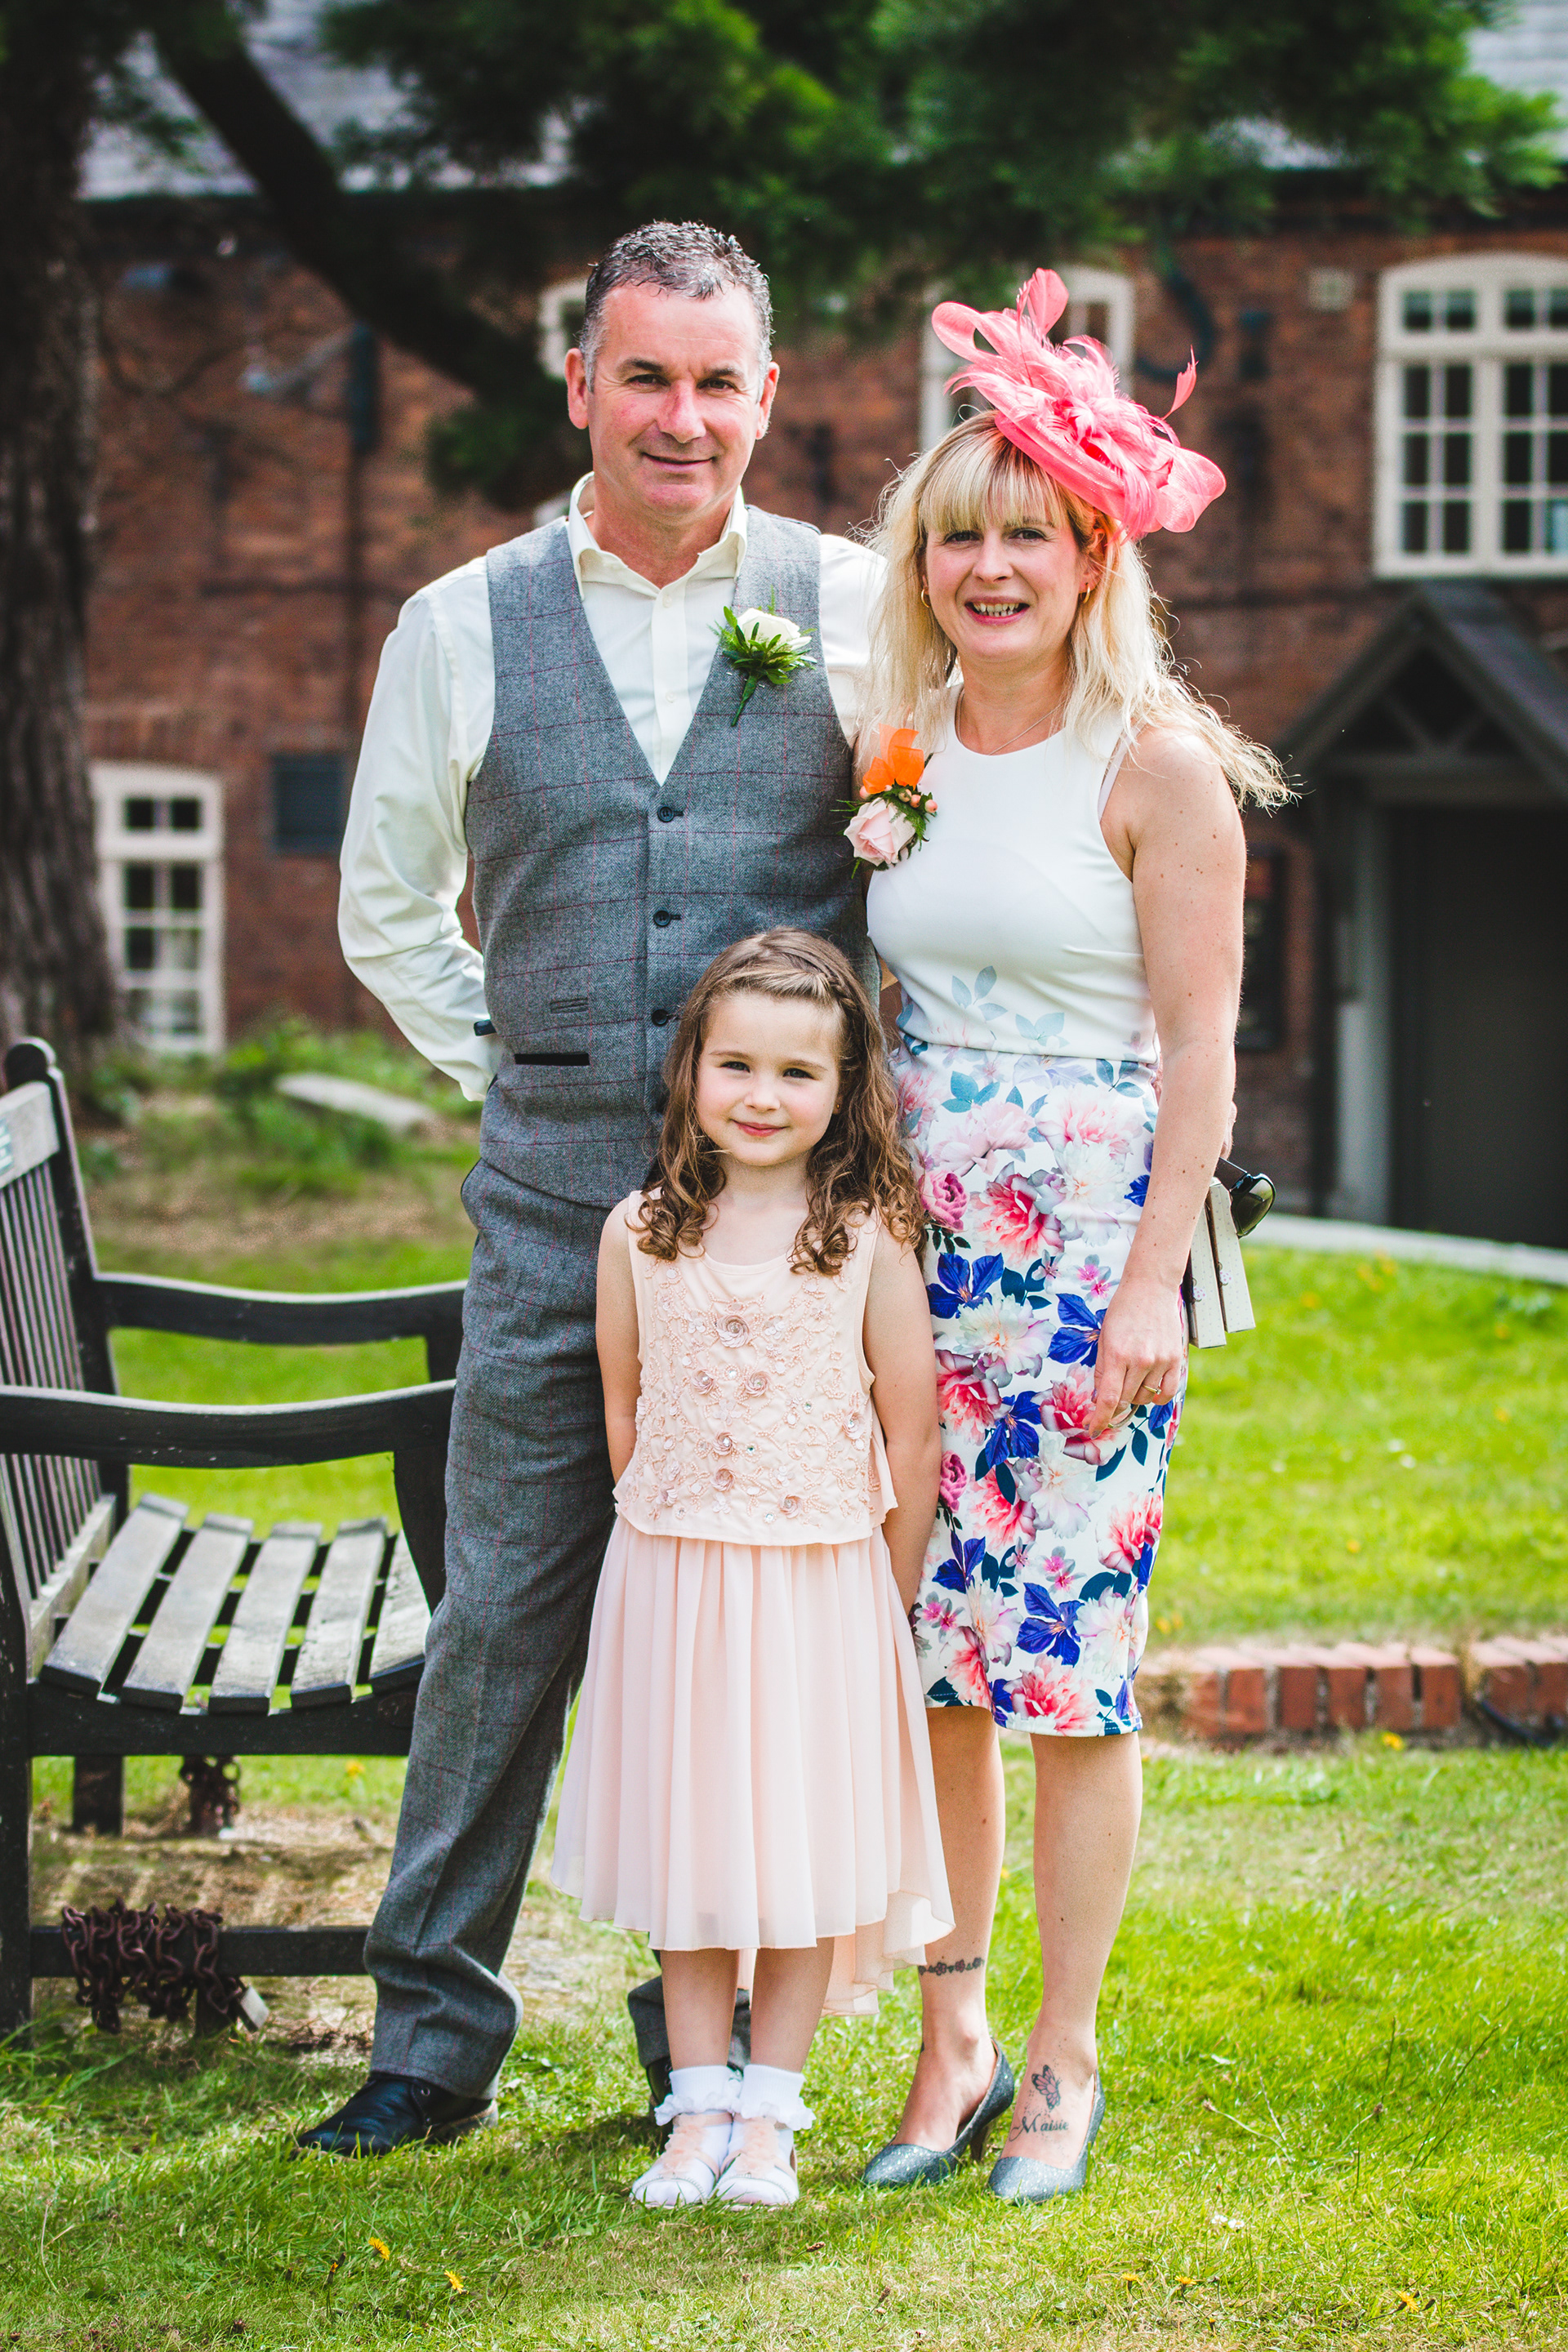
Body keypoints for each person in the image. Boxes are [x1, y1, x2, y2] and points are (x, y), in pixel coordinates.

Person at [301, 222, 883, 2158]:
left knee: (752, 1609)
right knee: (505, 1607)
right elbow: (386, 905)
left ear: (766, 397)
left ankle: (700, 2042)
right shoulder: (461, 622)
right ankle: (430, 2034)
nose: (681, 417)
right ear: (581, 388)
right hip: (555, 1209)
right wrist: (522, 1063)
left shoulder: (851, 605)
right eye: (646, 376)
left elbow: (920, 864)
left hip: (789, 1242)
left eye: (718, 382)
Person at [854, 271, 1287, 2202]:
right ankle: (945, 2038)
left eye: (1029, 533)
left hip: (1090, 1254)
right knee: (931, 1656)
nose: (992, 567)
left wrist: (1147, 1291)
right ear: (926, 567)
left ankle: (1062, 2060)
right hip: (914, 1258)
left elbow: (1200, 1053)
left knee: (1065, 1667)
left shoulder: (1156, 766)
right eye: (962, 537)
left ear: (1094, 553)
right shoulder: (903, 752)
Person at [550, 929, 951, 2209]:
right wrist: (670, 1526)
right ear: (691, 1070)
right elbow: (624, 1404)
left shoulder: (866, 1237)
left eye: (797, 1072)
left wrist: (882, 1600)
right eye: (737, 1065)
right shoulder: (639, 1233)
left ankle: (770, 2114)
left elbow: (912, 1433)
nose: (763, 1096)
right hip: (675, 1588)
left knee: (797, 1855)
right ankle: (695, 2111)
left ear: (843, 1091)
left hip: (820, 1591)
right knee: (694, 1855)